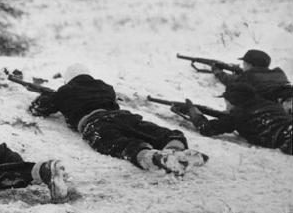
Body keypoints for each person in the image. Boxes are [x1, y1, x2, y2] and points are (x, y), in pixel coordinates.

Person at [28, 64, 208, 175]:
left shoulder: (65, 91)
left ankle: (153, 158)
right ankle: (176, 148)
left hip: (94, 123)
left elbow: (38, 109)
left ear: (68, 79)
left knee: (118, 143)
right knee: (154, 131)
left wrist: (48, 96)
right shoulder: (106, 87)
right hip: (121, 116)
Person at [175, 83, 292, 155]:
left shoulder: (240, 115)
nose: (226, 106)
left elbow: (206, 128)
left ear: (233, 102)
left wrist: (193, 112)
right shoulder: (269, 104)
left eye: (227, 102)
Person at [212, 49, 292, 112]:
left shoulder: (249, 76)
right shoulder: (278, 73)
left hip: (277, 109)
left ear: (250, 65)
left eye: (244, 63)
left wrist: (217, 72)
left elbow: (230, 81)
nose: (243, 66)